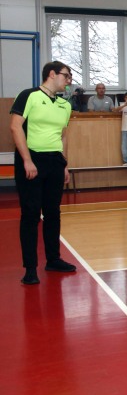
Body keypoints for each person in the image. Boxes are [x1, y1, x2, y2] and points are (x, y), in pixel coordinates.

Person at [10, 61, 76, 285]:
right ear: (52, 74)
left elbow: (63, 135)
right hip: (32, 160)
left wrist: (64, 164)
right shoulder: (28, 95)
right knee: (30, 214)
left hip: (55, 161)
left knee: (53, 213)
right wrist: (27, 160)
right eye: (66, 76)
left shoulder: (65, 105)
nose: (69, 81)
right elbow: (15, 127)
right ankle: (30, 268)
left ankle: (53, 259)